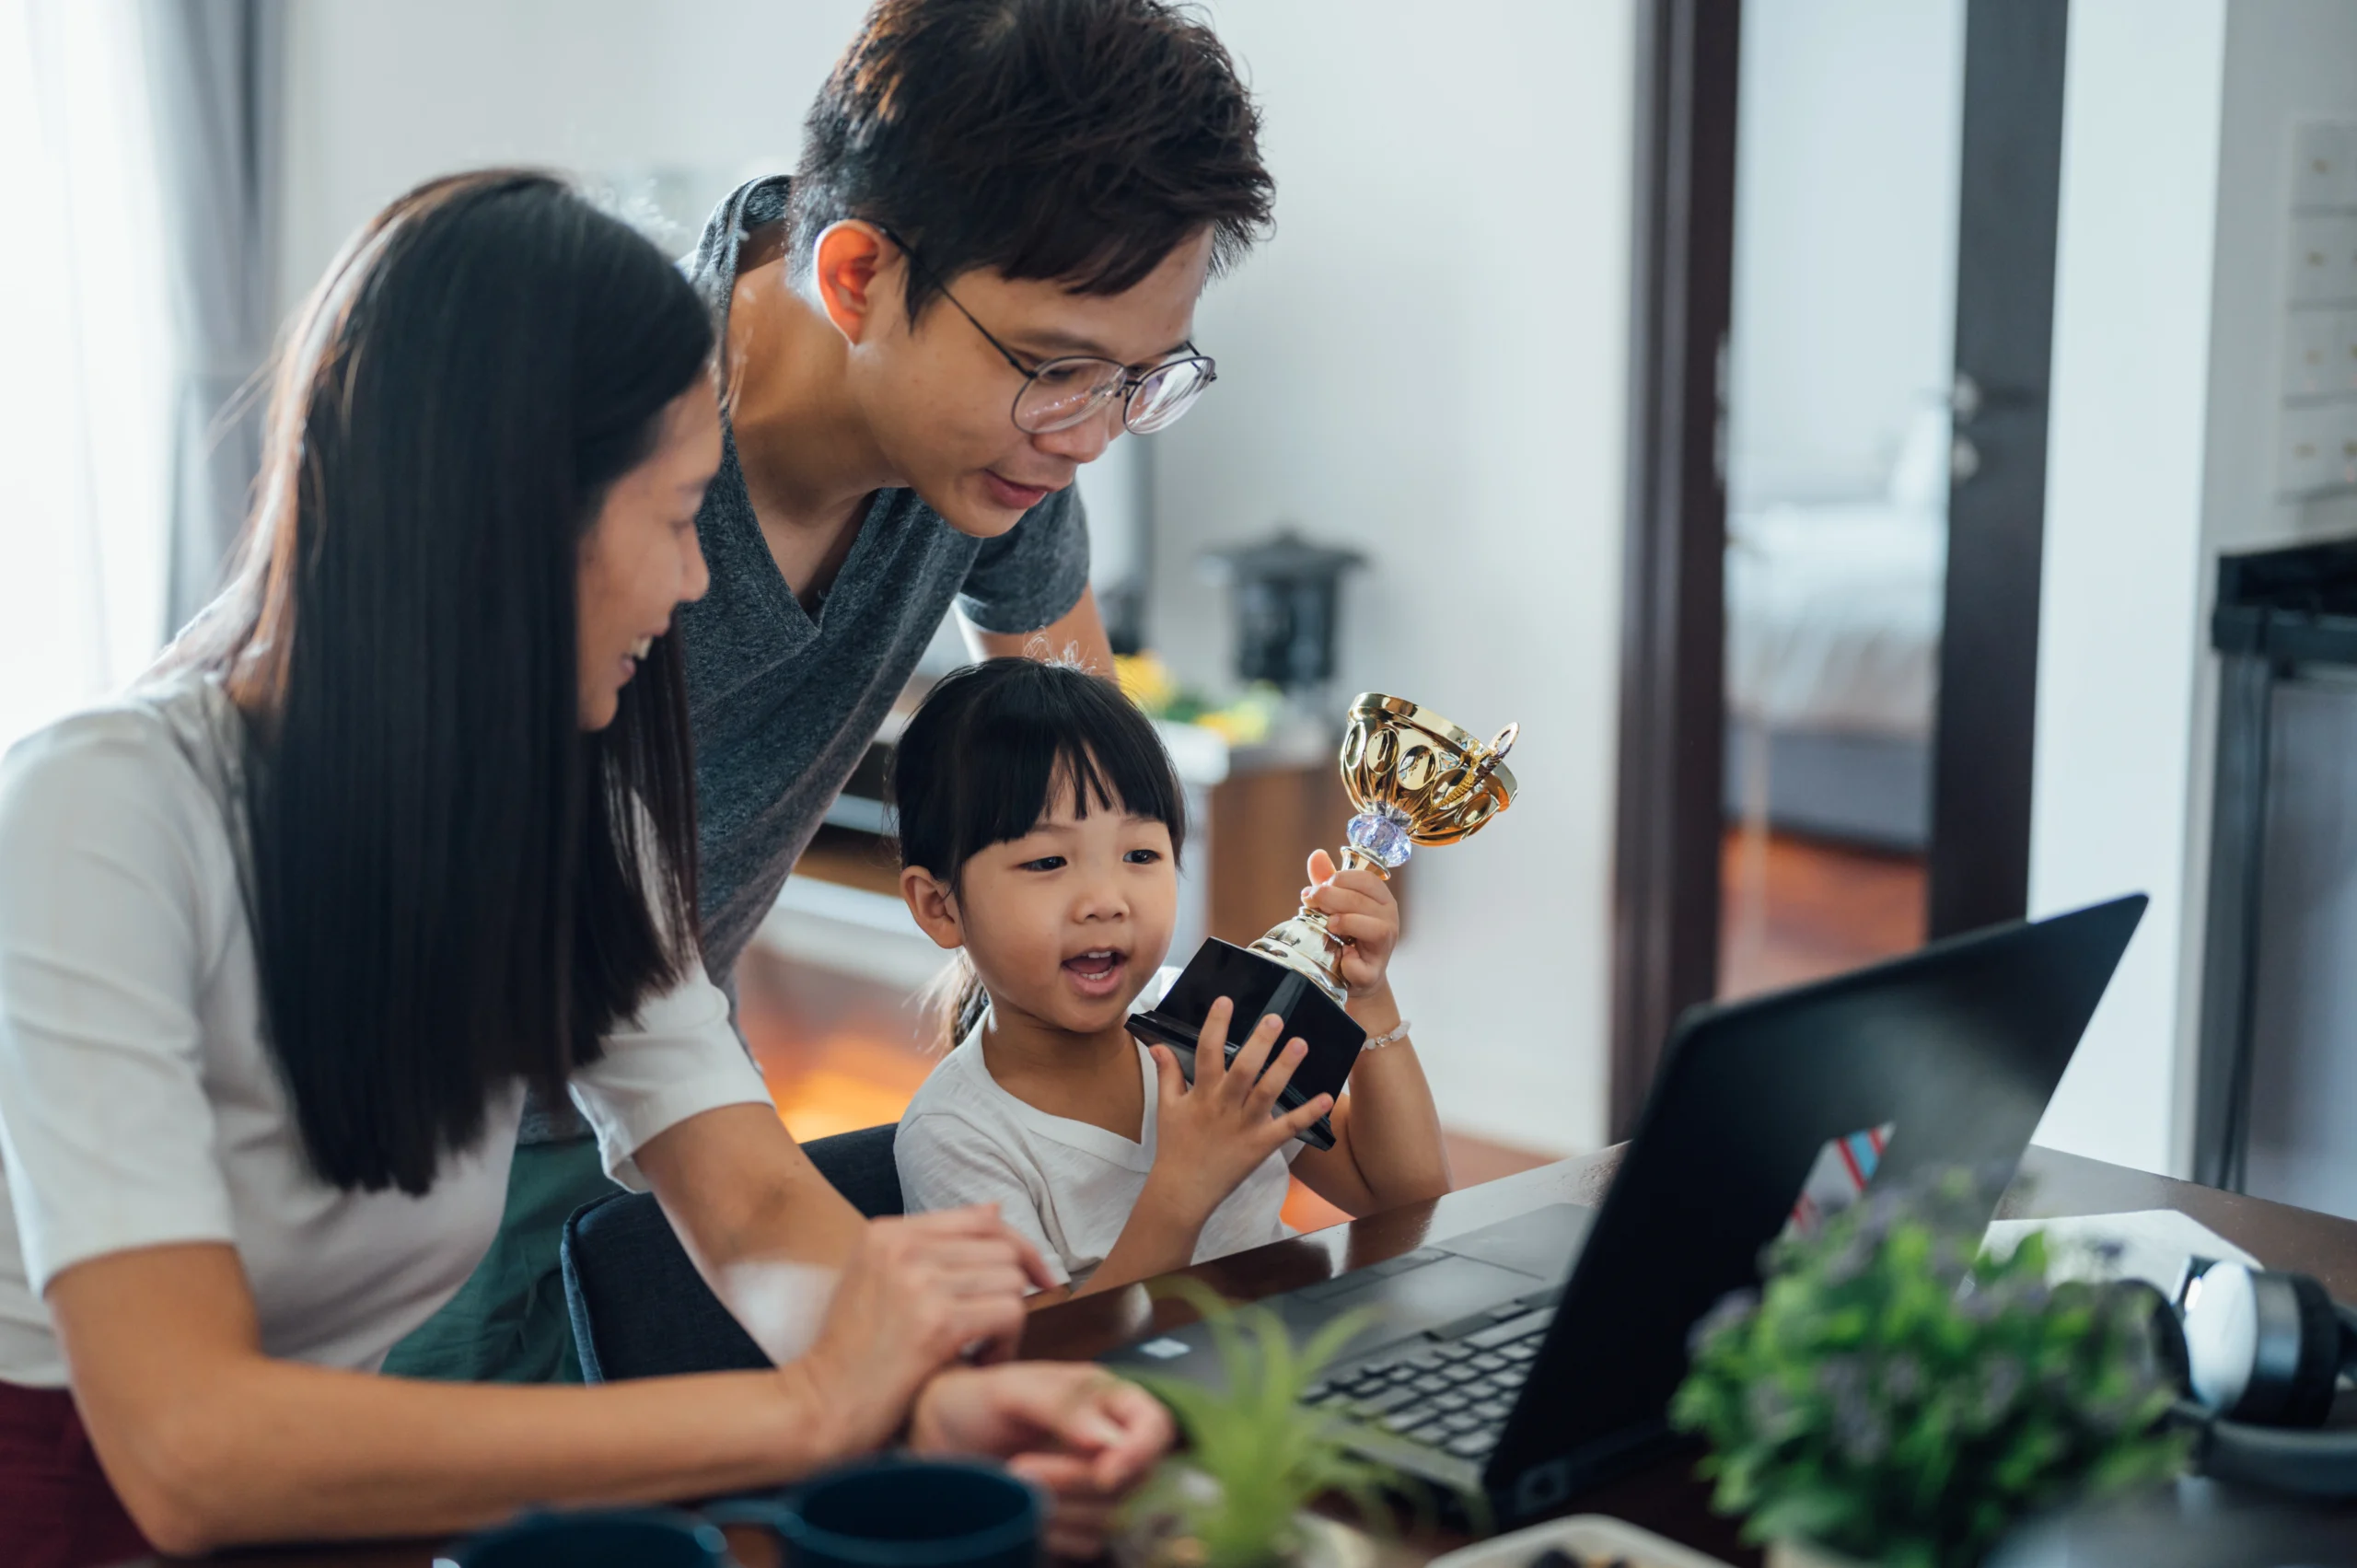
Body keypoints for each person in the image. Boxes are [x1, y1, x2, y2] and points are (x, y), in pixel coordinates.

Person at [0, 172, 1165, 1568]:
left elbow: (743, 1192)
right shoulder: (97, 811)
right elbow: (193, 1453)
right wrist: (802, 1414)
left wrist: (939, 1399)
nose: (692, 587)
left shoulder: (573, 810)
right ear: (512, 519)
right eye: (675, 518)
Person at [390, 0, 1279, 1385]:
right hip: (403, 1127)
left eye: (1138, 379)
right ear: (856, 275)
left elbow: (1076, 761)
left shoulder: (1002, 461)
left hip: (668, 1096)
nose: (1090, 435)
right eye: (1056, 368)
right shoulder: (593, 461)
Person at [887, 660, 1455, 1301]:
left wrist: (1370, 996)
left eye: (1140, 855)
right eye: (1048, 860)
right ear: (940, 906)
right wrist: (1182, 1189)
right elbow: (1038, 1364)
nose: (1106, 900)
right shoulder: (957, 1132)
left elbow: (1407, 1199)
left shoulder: (1208, 1019)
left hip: (1276, 1373)